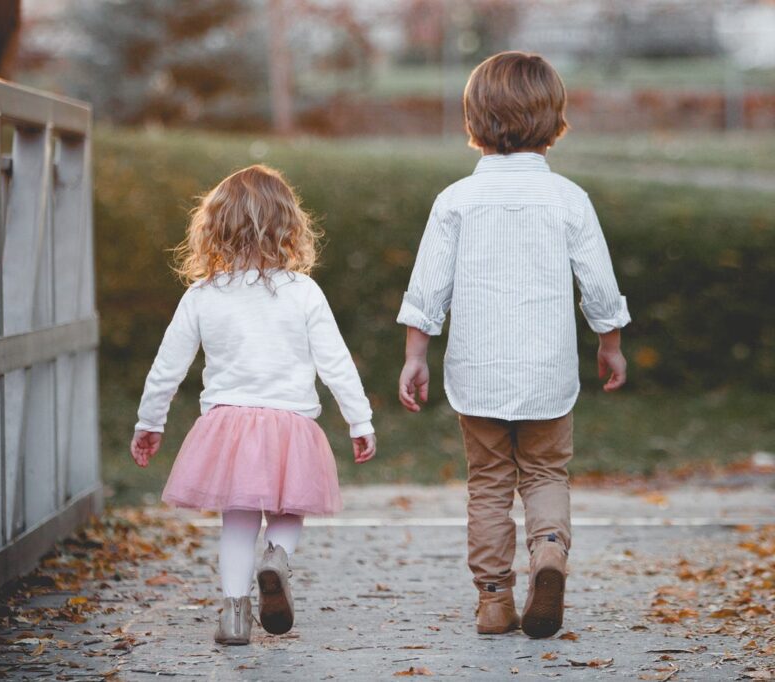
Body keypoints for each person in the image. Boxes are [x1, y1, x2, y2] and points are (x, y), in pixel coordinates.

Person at [396, 51, 630, 638]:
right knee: (547, 472)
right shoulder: (568, 199)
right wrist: (611, 343)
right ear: (554, 119)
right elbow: (599, 285)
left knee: (490, 484)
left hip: (479, 373)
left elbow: (428, 288)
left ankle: (494, 600)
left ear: (474, 119)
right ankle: (548, 551)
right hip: (548, 373)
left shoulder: (455, 201)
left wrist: (415, 355)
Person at [131, 164, 376, 645]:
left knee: (237, 520)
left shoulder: (201, 296)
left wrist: (149, 421)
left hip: (228, 428)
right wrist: (359, 419)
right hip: (291, 425)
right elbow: (336, 364)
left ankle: (234, 616)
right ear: (289, 226)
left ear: (213, 228)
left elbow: (168, 366)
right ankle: (277, 558)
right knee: (289, 509)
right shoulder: (304, 292)